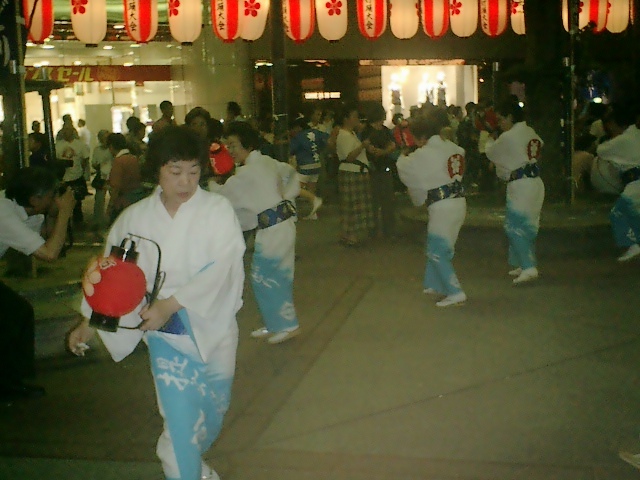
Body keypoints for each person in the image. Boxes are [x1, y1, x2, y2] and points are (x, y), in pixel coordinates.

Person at [67, 126, 245, 480]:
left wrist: (173, 302)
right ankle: (185, 468)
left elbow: (224, 267)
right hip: (165, 335)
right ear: (157, 171)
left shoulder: (217, 210)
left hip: (213, 327)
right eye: (175, 172)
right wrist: (91, 321)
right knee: (179, 423)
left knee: (211, 414)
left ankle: (192, 465)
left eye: (194, 172)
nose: (185, 182)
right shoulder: (134, 220)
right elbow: (115, 277)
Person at [211, 121, 301, 344]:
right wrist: (285, 195)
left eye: (233, 145)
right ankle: (276, 323)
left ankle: (287, 325)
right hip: (278, 226)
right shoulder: (266, 163)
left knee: (269, 276)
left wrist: (213, 185)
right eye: (227, 146)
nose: (230, 150)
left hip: (274, 229)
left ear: (246, 144)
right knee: (269, 276)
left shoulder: (248, 172)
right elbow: (290, 174)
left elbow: (225, 196)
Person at [0, 167, 76, 401]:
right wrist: (64, 213)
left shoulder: (26, 209)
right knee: (12, 315)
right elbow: (50, 253)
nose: (57, 198)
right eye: (52, 195)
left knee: (17, 314)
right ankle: (9, 384)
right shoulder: (4, 214)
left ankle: (11, 381)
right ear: (35, 199)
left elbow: (47, 240)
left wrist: (54, 214)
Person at [397, 110, 467, 307]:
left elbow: (408, 172)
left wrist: (402, 157)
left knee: (438, 250)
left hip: (442, 205)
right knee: (442, 247)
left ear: (422, 137)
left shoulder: (424, 154)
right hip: (459, 201)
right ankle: (435, 284)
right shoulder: (455, 149)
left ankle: (455, 291)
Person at [485, 98, 545, 285]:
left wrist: (489, 141)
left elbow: (491, 153)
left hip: (521, 184)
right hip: (534, 182)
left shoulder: (510, 136)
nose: (500, 124)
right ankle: (523, 262)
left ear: (511, 117)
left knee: (515, 226)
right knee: (528, 226)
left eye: (502, 119)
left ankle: (528, 267)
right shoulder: (530, 132)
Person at [596, 103, 640, 262]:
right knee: (635, 213)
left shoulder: (622, 140)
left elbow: (601, 150)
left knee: (618, 213)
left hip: (636, 183)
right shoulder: (635, 135)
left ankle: (633, 245)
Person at [335, 104, 375, 247]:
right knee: (352, 205)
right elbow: (350, 156)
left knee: (352, 204)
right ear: (346, 119)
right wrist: (363, 146)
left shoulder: (351, 134)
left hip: (356, 172)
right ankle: (350, 234)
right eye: (354, 116)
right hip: (351, 172)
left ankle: (347, 234)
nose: (357, 119)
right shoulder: (344, 135)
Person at [361, 104, 398, 239]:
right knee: (374, 201)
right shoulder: (367, 131)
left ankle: (388, 230)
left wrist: (382, 152)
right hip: (372, 168)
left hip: (383, 167)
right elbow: (368, 146)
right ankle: (375, 230)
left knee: (387, 200)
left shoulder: (384, 130)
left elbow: (393, 144)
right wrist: (383, 152)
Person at [289, 117, 326, 220]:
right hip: (317, 163)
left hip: (305, 164)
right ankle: (313, 213)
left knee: (294, 187)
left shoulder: (298, 137)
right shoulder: (316, 132)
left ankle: (314, 200)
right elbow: (326, 140)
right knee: (311, 188)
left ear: (298, 127)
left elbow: (291, 150)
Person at [55, 124, 90, 224]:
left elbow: (85, 159)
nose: (67, 132)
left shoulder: (80, 145)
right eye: (65, 130)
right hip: (63, 178)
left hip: (76, 176)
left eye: (69, 130)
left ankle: (78, 222)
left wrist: (82, 171)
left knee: (77, 202)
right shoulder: (58, 145)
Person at [106, 133, 144, 223]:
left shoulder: (119, 161)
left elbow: (116, 186)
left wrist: (110, 206)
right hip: (136, 198)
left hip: (123, 201)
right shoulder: (133, 158)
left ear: (111, 146)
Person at [90, 129, 113, 230]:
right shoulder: (97, 150)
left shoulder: (112, 149)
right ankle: (97, 220)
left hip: (112, 176)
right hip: (102, 176)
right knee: (99, 200)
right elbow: (94, 163)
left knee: (114, 198)